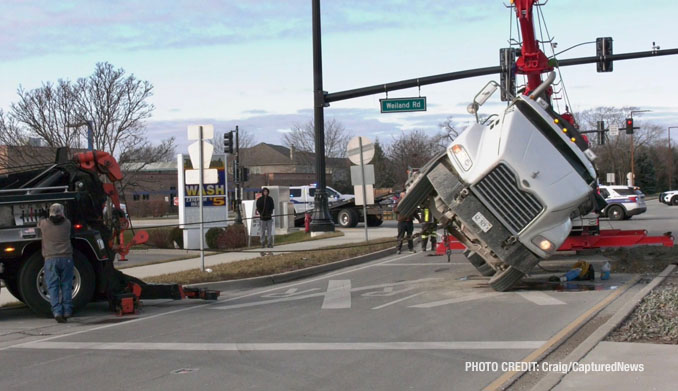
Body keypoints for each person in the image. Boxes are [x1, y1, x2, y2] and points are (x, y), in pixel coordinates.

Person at [38, 203, 74, 323]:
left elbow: (40, 222)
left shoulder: (44, 224)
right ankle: (67, 310)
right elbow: (65, 219)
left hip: (50, 259)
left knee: (53, 286)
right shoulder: (67, 224)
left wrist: (43, 215)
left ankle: (57, 311)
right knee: (66, 284)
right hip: (66, 258)